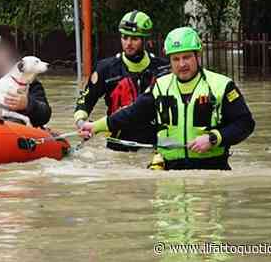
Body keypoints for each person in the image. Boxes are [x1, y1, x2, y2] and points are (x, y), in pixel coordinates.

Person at [79, 27, 255, 170]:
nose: (182, 64)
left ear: (197, 55)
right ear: (169, 61)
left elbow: (245, 123)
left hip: (213, 168)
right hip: (169, 169)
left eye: (187, 57)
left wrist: (214, 138)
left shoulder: (221, 85)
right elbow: (131, 114)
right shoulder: (160, 86)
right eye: (176, 59)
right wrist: (95, 127)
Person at [74, 10, 169, 152]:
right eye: (125, 38)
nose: (128, 43)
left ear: (146, 40)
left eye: (134, 39)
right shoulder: (105, 68)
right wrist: (82, 122)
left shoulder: (162, 68)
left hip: (154, 144)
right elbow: (85, 101)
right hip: (117, 145)